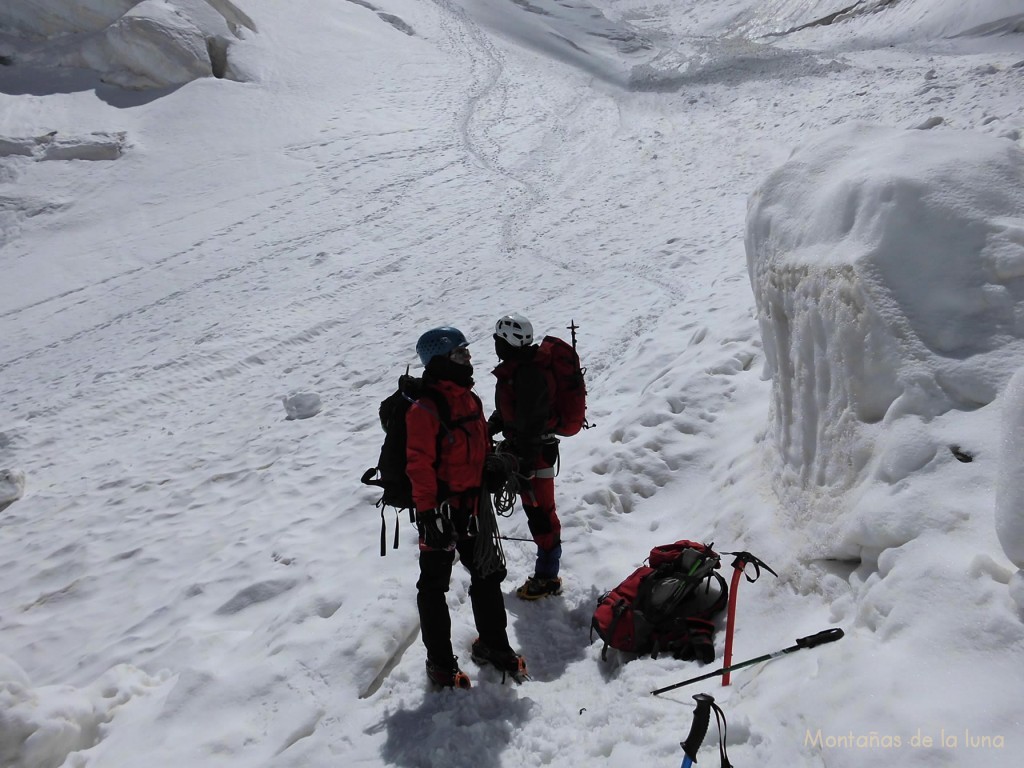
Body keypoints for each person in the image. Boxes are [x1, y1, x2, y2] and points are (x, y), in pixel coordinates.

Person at [408, 326, 528, 688]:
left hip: (472, 505)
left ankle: (494, 644)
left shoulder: (468, 398)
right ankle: (441, 664)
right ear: (441, 359)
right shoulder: (424, 409)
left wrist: (488, 467)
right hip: (440, 512)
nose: (469, 359)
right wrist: (428, 515)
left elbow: (476, 444)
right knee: (433, 586)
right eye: (461, 354)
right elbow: (418, 464)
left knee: (487, 575)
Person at [489, 313, 564, 600]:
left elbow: (532, 419)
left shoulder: (526, 373)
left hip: (535, 455)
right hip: (531, 452)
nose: (495, 344)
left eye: (498, 339)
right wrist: (493, 425)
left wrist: (523, 459)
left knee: (541, 513)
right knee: (538, 512)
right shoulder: (519, 369)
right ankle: (547, 572)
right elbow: (515, 411)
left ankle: (547, 576)